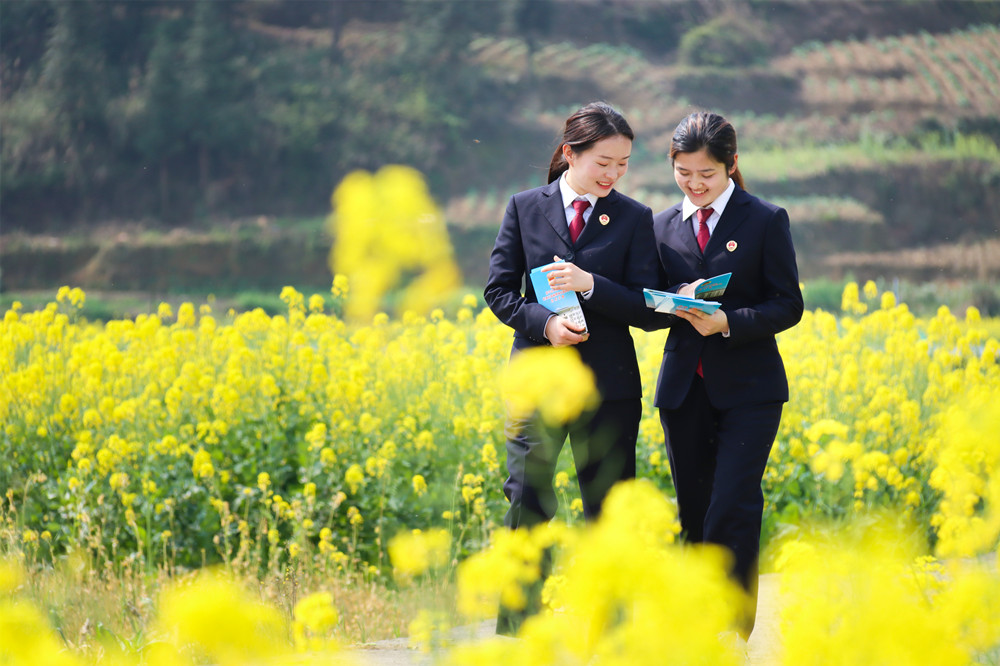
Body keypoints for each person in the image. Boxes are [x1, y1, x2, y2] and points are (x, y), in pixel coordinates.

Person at [484, 101, 659, 635]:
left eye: (623, 164)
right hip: (538, 381)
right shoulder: (523, 208)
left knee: (607, 508)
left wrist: (590, 285)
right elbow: (498, 291)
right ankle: (517, 629)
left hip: (608, 388)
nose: (613, 174)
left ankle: (612, 629)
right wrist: (544, 325)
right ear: (570, 153)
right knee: (527, 498)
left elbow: (646, 309)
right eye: (604, 162)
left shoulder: (634, 217)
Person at [651, 111, 803, 639]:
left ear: (732, 166)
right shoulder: (662, 224)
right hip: (683, 388)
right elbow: (650, 304)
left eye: (706, 176)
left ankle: (732, 633)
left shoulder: (764, 220)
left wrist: (727, 322)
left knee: (733, 503)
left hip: (750, 391)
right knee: (693, 510)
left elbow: (788, 304)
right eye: (683, 173)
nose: (694, 185)